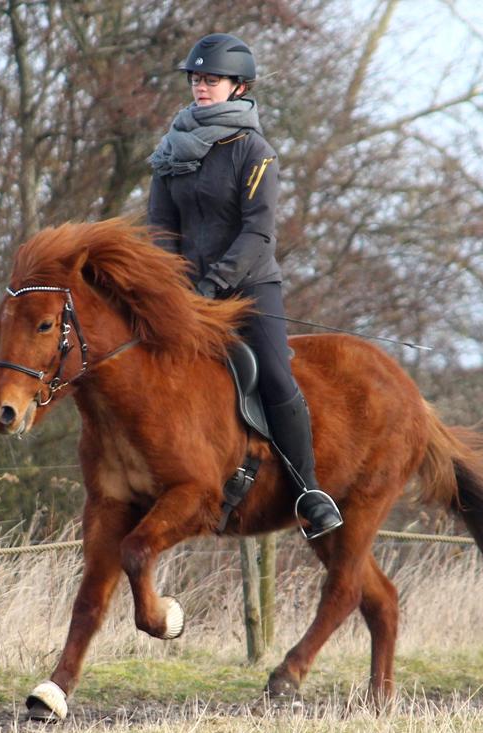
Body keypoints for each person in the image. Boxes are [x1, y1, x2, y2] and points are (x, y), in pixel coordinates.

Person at [147, 32, 342, 539]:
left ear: (238, 87)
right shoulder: (171, 151)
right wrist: (173, 288)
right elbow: (159, 230)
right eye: (196, 79)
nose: (200, 87)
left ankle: (308, 490)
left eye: (211, 79)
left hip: (251, 286)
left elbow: (258, 232)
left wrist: (213, 284)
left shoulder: (253, 151)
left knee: (276, 377)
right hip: (187, 293)